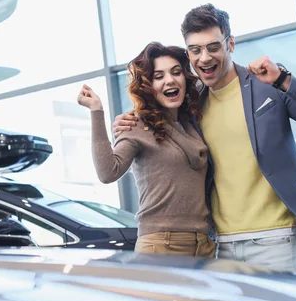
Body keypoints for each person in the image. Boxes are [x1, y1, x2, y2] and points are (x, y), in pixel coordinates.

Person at [113, 4, 296, 273]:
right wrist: (127, 122)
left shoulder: (266, 83)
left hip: (275, 238)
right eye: (195, 50)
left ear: (230, 44)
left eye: (213, 47)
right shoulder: (191, 102)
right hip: (219, 245)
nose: (204, 57)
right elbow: (158, 123)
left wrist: (283, 80)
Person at [77, 42, 215, 257]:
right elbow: (107, 172)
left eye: (176, 72)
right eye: (158, 76)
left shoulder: (191, 124)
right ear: (148, 86)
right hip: (161, 244)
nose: (170, 80)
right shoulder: (137, 125)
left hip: (202, 243)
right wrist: (97, 111)